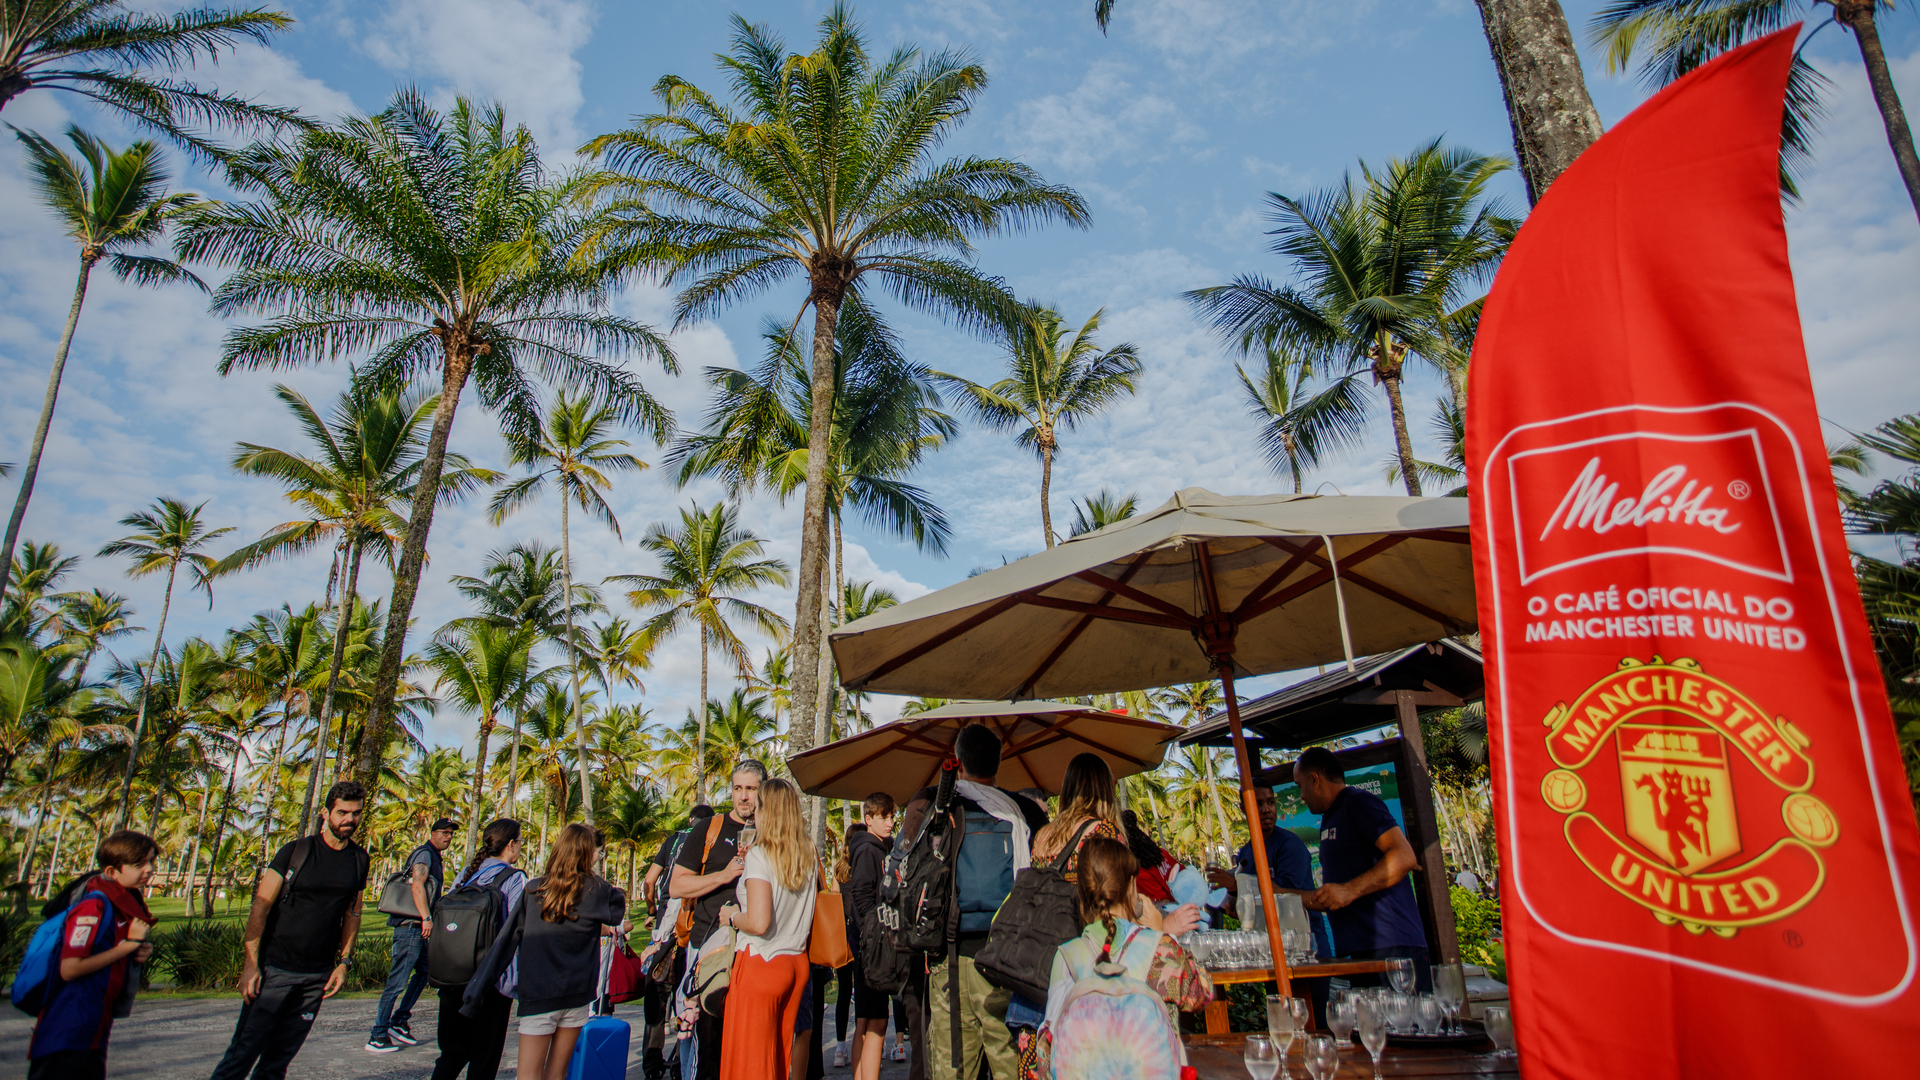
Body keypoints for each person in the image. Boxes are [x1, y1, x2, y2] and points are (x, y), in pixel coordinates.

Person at [898, 724, 1049, 1080]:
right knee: (1011, 1063)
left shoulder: (934, 804)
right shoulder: (1025, 812)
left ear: (958, 763)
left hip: (948, 959)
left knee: (953, 1065)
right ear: (998, 762)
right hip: (1008, 962)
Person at [209, 780, 370, 1080]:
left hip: (316, 977)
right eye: (343, 812)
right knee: (241, 1056)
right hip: (274, 971)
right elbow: (261, 906)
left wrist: (344, 962)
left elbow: (353, 913)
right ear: (326, 813)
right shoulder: (296, 851)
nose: (350, 819)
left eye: (356, 813)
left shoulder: (360, 860)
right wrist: (250, 965)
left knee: (278, 1062)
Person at [1021, 836, 1213, 1080]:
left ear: (1082, 893)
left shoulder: (1067, 956)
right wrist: (1162, 934)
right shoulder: (1159, 948)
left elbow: (1048, 1043)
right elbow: (1202, 993)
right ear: (1132, 887)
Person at [1294, 747, 1432, 990]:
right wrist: (1277, 893)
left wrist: (1349, 890)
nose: (1301, 795)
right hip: (1362, 951)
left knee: (1403, 1027)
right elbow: (1334, 897)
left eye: (1299, 785)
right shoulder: (1330, 816)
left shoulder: (1358, 802)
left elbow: (1404, 856)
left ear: (1314, 779)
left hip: (1392, 947)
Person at [27, 830, 159, 1080]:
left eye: (152, 861)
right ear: (112, 872)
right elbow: (70, 968)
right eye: (139, 864)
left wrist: (136, 950)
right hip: (68, 1024)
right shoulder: (93, 906)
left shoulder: (123, 904)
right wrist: (127, 946)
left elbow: (109, 951)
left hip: (94, 1021)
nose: (150, 869)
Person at [507, 823, 629, 1080]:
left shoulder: (534, 890)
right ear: (586, 854)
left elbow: (507, 940)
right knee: (558, 1075)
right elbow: (617, 910)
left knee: (528, 1076)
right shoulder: (598, 892)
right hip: (576, 993)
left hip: (539, 995)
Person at [714, 777, 817, 1080]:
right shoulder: (807, 851)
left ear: (766, 811)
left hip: (762, 961)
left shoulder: (760, 855)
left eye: (757, 806)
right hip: (796, 962)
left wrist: (733, 916)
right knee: (778, 1054)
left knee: (750, 1062)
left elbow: (759, 922)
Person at [671, 762, 764, 1080]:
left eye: (750, 788)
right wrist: (722, 876)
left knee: (742, 1041)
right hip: (707, 946)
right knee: (704, 1040)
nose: (743, 796)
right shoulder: (708, 829)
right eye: (738, 788)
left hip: (752, 948)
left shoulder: (769, 832)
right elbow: (677, 885)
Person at [431, 818, 527, 1080]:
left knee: (451, 1053)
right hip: (491, 980)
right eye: (520, 842)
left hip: (452, 975)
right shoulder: (514, 877)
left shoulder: (465, 874)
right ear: (510, 845)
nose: (520, 847)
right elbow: (518, 927)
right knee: (484, 1059)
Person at [1209, 783, 1335, 960]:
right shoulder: (1246, 851)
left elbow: (1286, 895)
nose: (1266, 809)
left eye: (1270, 802)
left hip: (1305, 950)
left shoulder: (1289, 845)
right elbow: (1255, 905)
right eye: (1258, 804)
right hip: (1268, 951)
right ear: (1243, 808)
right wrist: (1235, 905)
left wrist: (1238, 885)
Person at [368, 816, 457, 1053]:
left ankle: (398, 1021)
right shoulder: (424, 854)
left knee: (425, 972)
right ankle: (378, 1034)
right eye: (444, 832)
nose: (448, 837)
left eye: (451, 834)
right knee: (397, 982)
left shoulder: (434, 856)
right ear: (433, 833)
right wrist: (426, 918)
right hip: (411, 927)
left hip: (419, 929)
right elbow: (417, 885)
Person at [644, 805, 713, 1080]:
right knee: (688, 998)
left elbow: (650, 880)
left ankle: (652, 1063)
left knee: (657, 996)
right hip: (692, 928)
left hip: (665, 927)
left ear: (689, 819)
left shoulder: (672, 841)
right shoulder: (706, 841)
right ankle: (680, 1060)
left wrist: (651, 910)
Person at [843, 794, 897, 1080]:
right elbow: (861, 895)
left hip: (868, 943)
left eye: (891, 817)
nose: (889, 822)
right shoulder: (868, 850)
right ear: (869, 819)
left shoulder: (877, 848)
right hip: (870, 947)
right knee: (875, 1021)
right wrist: (874, 934)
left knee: (868, 1019)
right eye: (883, 817)